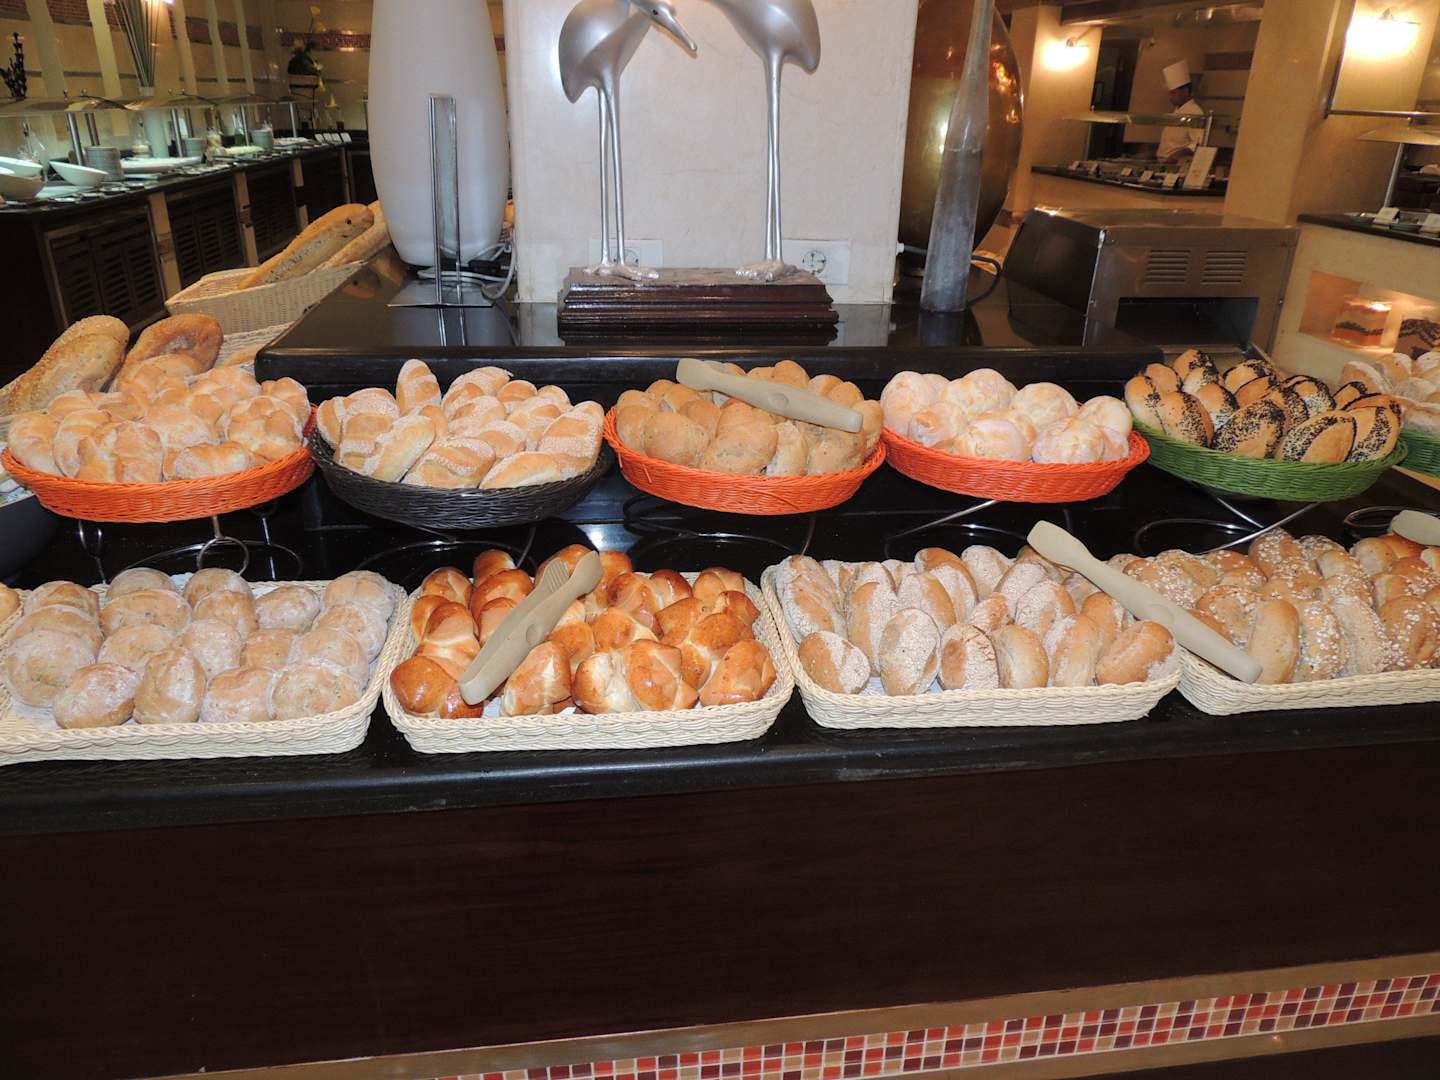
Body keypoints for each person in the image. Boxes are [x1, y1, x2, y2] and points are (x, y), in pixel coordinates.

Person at [1156, 60, 1206, 163]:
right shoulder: (1176, 111)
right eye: (1170, 93)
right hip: (1164, 162)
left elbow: (1199, 142)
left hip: (1178, 164)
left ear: (1185, 91)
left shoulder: (1195, 112)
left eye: (1173, 93)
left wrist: (1177, 155)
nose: (1170, 97)